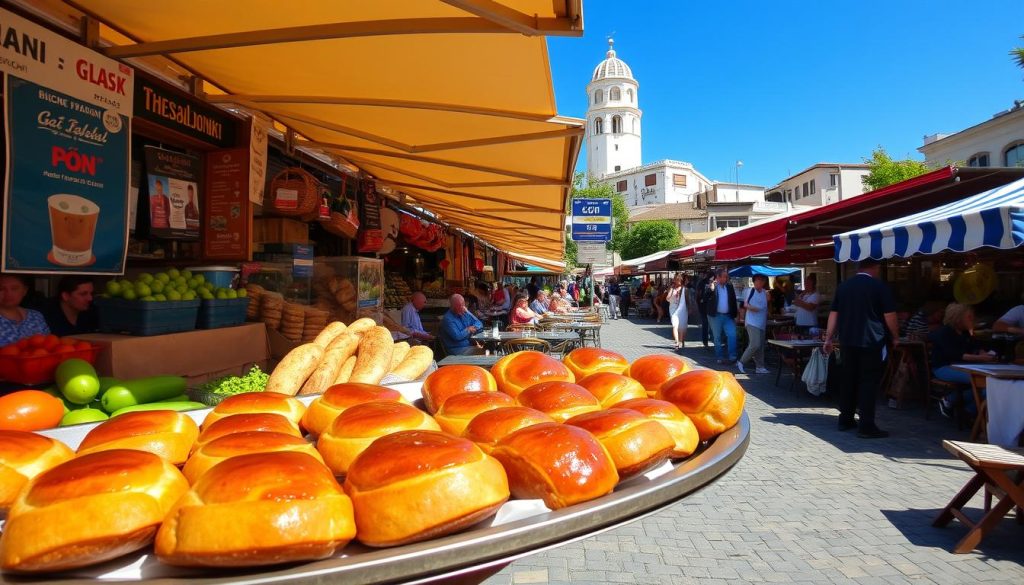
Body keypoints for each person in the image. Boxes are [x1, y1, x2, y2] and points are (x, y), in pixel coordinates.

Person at [822, 259, 899, 439]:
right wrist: (895, 336)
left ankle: (845, 419)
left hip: (848, 340)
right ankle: (866, 425)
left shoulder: (844, 287)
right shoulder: (879, 287)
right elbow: (890, 315)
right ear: (875, 267)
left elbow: (834, 314)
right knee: (868, 382)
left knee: (848, 379)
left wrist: (828, 338)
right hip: (872, 341)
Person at [928, 303, 995, 417]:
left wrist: (981, 352)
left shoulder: (965, 333)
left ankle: (968, 411)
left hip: (963, 366)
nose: (972, 319)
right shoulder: (944, 332)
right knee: (981, 380)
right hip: (944, 367)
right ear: (958, 318)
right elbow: (956, 354)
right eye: (968, 317)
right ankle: (951, 400)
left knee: (989, 385)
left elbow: (975, 347)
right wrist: (980, 358)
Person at [0, 274, 50, 346]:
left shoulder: (36, 316)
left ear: (24, 291)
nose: (8, 294)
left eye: (14, 288)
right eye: (1, 289)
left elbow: (50, 346)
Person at [703, 268, 738, 363]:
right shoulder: (711, 286)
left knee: (732, 334)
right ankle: (720, 356)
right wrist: (711, 290)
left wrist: (735, 315)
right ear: (718, 277)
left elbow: (733, 301)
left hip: (728, 316)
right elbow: (704, 299)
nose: (726, 278)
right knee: (717, 337)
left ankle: (732, 356)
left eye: (727, 277)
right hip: (715, 316)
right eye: (725, 276)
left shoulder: (729, 286)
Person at [737, 274, 770, 374]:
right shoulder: (750, 291)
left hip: (762, 322)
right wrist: (752, 308)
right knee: (755, 344)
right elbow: (745, 304)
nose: (760, 282)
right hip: (752, 322)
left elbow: (766, 305)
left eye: (762, 280)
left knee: (760, 346)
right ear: (754, 281)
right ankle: (741, 362)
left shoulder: (765, 293)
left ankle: (760, 367)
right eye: (758, 280)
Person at [667, 276, 687, 349]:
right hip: (673, 308)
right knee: (675, 325)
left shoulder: (684, 289)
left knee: (681, 326)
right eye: (676, 280)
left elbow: (687, 299)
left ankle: (681, 341)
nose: (678, 282)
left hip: (682, 309)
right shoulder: (672, 289)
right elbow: (667, 298)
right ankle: (677, 342)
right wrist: (672, 294)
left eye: (679, 280)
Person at [697, 271, 715, 348]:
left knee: (712, 325)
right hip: (703, 307)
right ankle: (705, 341)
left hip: (712, 307)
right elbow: (698, 294)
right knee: (705, 324)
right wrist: (700, 301)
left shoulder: (715, 284)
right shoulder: (702, 283)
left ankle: (712, 340)